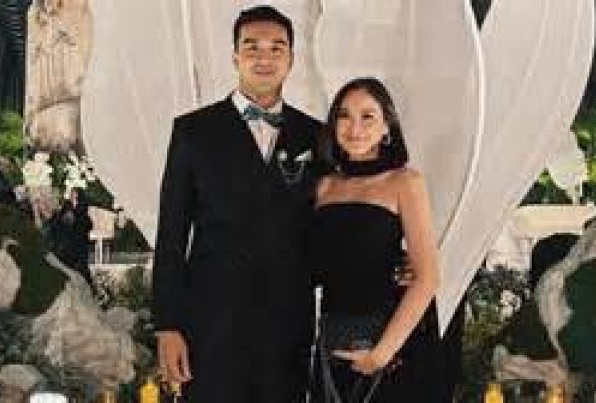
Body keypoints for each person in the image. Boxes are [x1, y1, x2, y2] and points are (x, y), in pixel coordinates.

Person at [152, 5, 322, 402]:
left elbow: (332, 224)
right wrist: (168, 326)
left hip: (287, 326)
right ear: (234, 56)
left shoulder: (315, 136)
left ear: (291, 59)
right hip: (211, 324)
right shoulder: (193, 131)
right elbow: (171, 235)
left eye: (277, 47)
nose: (265, 57)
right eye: (252, 47)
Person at [310, 77, 446, 402]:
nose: (354, 127)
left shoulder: (405, 182)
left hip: (389, 343)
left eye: (367, 116)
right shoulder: (323, 186)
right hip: (332, 340)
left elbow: (428, 278)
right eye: (344, 115)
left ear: (387, 126)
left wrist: (382, 353)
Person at [49, 188, 94, 286]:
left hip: (78, 246)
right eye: (71, 194)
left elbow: (87, 225)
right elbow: (57, 223)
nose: (72, 195)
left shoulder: (82, 212)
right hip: (66, 245)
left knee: (81, 270)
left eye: (74, 194)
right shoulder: (66, 207)